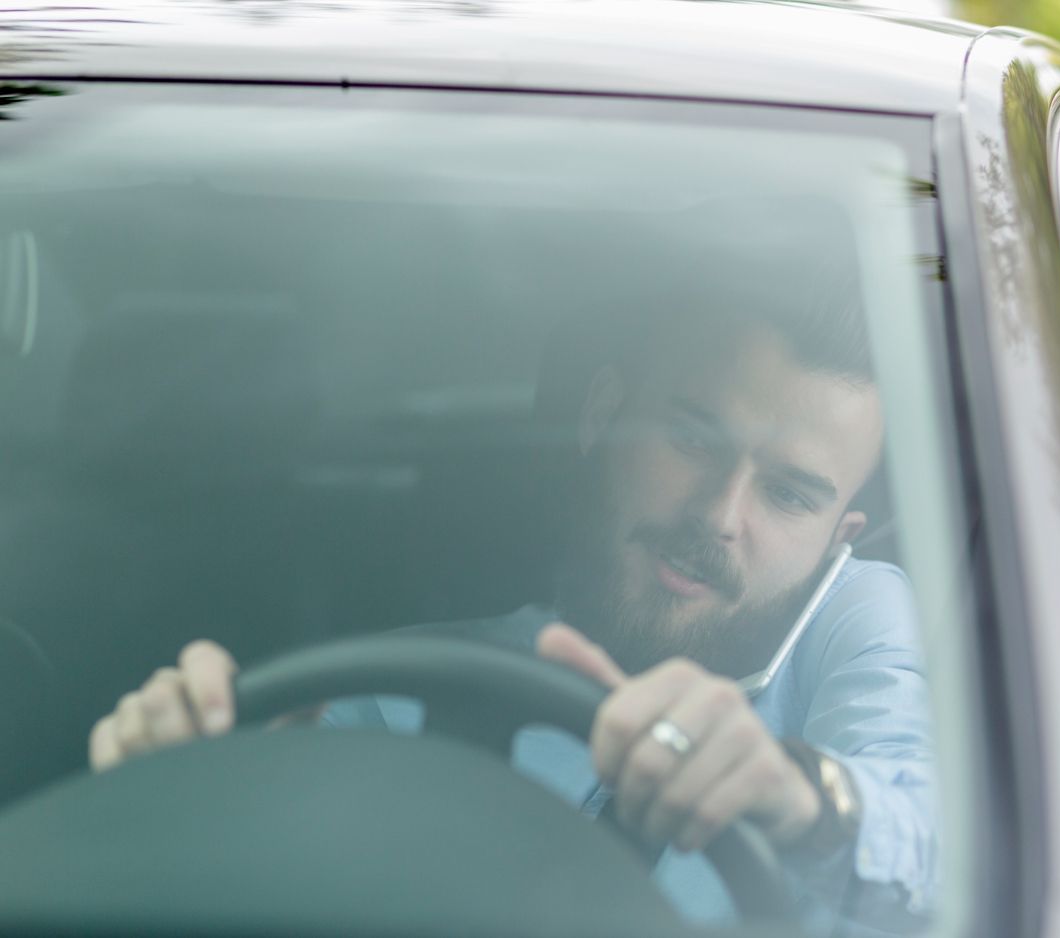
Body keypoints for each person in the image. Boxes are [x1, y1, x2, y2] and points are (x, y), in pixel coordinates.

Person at [86, 250, 936, 934]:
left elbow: (944, 843)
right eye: (689, 436)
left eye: (788, 494)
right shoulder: (414, 685)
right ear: (603, 413)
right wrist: (175, 798)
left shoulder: (855, 625)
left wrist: (801, 798)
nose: (720, 515)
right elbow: (261, 855)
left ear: (840, 540)